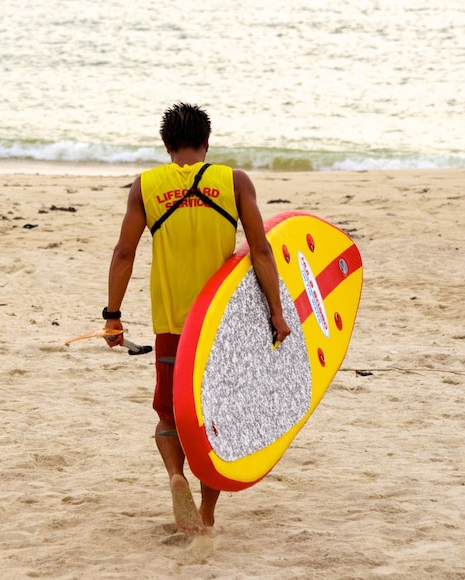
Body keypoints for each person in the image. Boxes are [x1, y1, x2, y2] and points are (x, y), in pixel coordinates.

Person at [103, 102, 291, 535]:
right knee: (214, 421)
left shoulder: (145, 186)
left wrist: (112, 316)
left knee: (170, 416)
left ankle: (175, 475)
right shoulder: (233, 181)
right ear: (208, 142)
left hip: (171, 322)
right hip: (219, 324)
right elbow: (261, 250)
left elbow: (123, 253)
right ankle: (206, 516)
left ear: (167, 144)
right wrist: (277, 312)